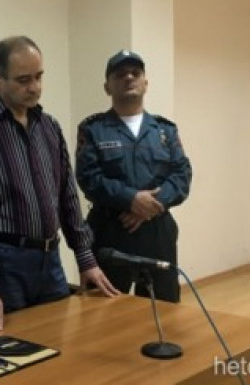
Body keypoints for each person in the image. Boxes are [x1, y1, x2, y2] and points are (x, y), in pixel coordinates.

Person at [0, 36, 119, 333]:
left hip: (50, 258)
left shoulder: (49, 126)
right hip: (5, 263)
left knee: (58, 342)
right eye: (24, 80)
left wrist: (86, 258)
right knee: (15, 348)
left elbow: (68, 196)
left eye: (39, 76)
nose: (35, 87)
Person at [75, 50, 192, 303]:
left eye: (135, 73)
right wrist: (131, 199)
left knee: (163, 307)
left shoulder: (165, 130)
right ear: (107, 87)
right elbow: (88, 177)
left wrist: (149, 207)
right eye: (120, 74)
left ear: (145, 83)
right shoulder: (93, 129)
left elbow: (181, 175)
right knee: (103, 310)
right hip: (110, 231)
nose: (129, 77)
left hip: (157, 231)